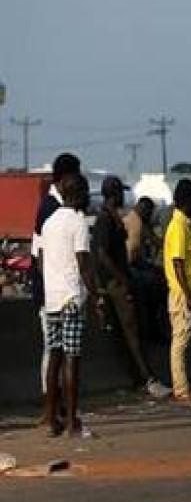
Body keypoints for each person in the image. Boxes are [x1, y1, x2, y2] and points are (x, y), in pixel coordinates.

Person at [94, 177, 167, 398]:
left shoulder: (115, 217)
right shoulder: (105, 220)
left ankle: (140, 378)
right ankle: (148, 379)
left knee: (132, 332)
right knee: (132, 332)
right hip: (117, 284)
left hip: (120, 280)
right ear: (115, 194)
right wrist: (122, 280)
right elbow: (102, 254)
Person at [39, 173, 100, 436]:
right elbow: (84, 263)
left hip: (51, 298)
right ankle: (72, 420)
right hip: (71, 298)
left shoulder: (49, 223)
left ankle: (52, 418)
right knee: (72, 358)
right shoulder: (78, 223)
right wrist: (96, 294)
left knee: (54, 356)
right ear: (80, 194)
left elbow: (41, 260)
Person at [31, 152, 83, 396]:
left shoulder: (50, 207)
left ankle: (54, 407)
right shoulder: (51, 209)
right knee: (57, 353)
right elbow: (40, 253)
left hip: (52, 291)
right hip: (57, 293)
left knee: (55, 352)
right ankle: (52, 404)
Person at [162, 179, 191, 403]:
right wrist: (188, 295)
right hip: (182, 293)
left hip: (188, 291)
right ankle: (180, 389)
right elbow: (178, 263)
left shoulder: (184, 226)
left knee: (183, 340)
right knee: (180, 342)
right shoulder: (177, 227)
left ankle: (184, 385)